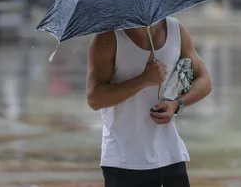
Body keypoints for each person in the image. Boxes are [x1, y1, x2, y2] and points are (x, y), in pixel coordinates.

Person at [87, 17, 212, 187]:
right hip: (124, 160)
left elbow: (204, 80)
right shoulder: (108, 37)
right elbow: (94, 98)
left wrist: (177, 104)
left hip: (170, 155)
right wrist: (143, 80)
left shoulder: (176, 30)